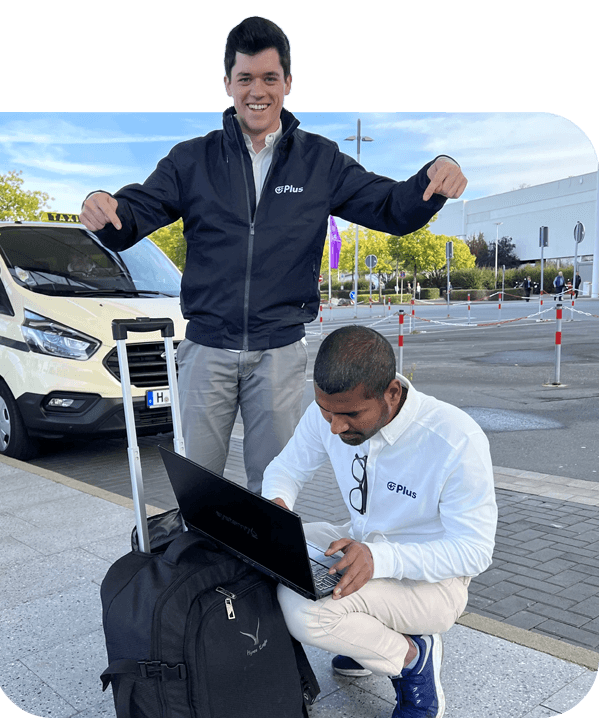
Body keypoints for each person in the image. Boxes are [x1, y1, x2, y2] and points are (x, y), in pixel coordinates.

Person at [78, 16, 467, 494]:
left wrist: (435, 173)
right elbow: (134, 214)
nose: (256, 91)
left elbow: (390, 207)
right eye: (245, 79)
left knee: (274, 486)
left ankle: (265, 572)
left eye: (268, 78)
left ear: (287, 82)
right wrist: (105, 206)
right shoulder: (191, 160)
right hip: (205, 350)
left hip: (279, 352)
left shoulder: (320, 161)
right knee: (194, 485)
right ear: (227, 83)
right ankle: (198, 566)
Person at [262, 326, 497, 718]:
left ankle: (410, 656)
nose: (335, 427)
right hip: (361, 545)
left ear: (391, 393)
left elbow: (474, 552)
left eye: (350, 415)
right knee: (271, 554)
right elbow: (286, 468)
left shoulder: (455, 439)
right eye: (326, 412)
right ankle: (366, 641)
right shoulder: (334, 409)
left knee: (305, 612)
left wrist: (379, 558)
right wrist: (276, 508)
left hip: (432, 583)